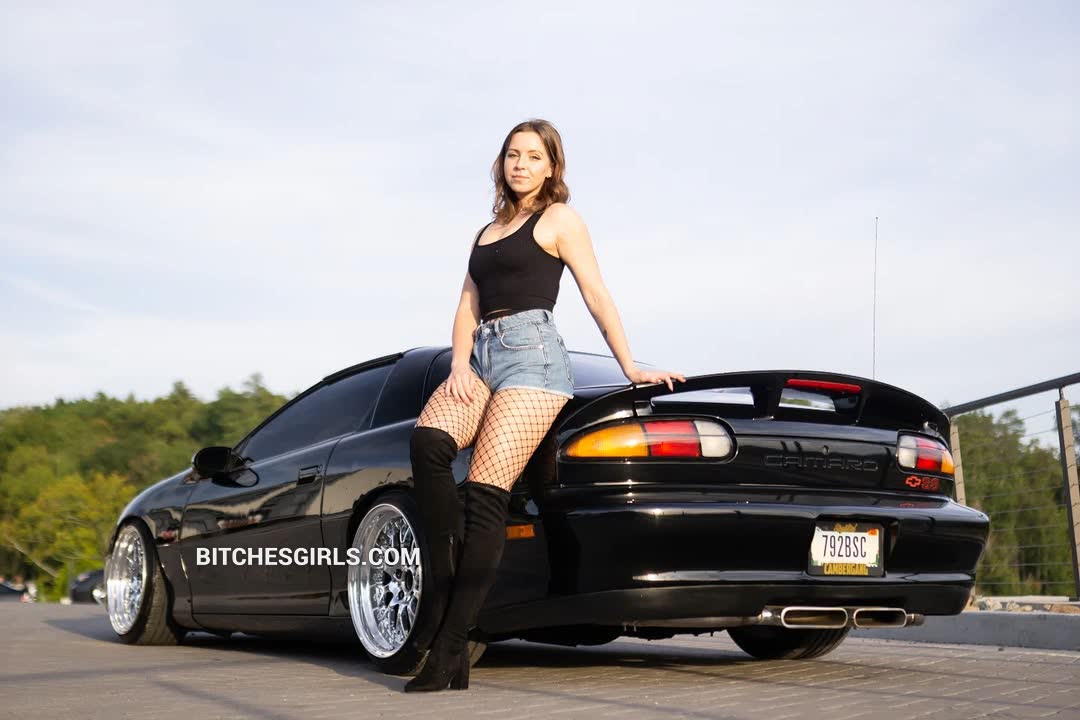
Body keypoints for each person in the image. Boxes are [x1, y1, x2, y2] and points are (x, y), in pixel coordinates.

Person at [404, 119, 685, 692]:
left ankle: (451, 643)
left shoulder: (559, 220)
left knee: (485, 493)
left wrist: (630, 366)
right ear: (501, 162)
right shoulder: (486, 232)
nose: (521, 164)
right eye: (513, 154)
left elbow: (596, 292)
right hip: (481, 357)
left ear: (552, 166)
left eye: (534, 156)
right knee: (428, 442)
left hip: (533, 360)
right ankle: (441, 592)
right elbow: (467, 304)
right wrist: (459, 364)